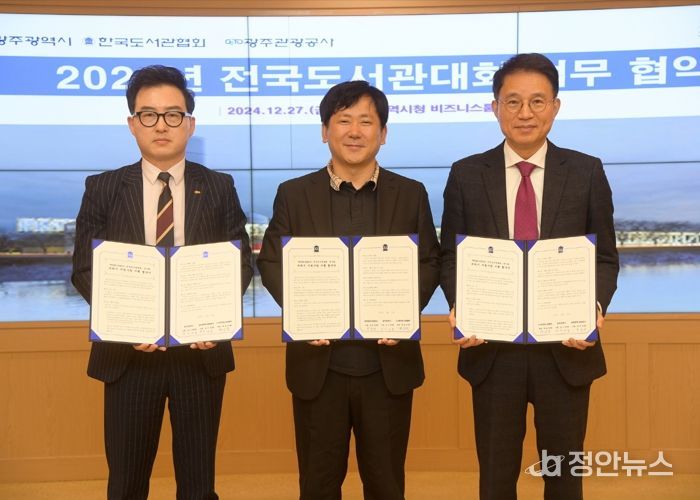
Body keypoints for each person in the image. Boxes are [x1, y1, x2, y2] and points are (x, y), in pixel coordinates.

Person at [440, 53, 619, 499]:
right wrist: (461, 306)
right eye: (513, 101)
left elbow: (605, 257)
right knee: (496, 478)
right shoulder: (466, 174)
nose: (525, 113)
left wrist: (593, 307)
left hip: (566, 350)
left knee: (564, 475)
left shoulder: (586, 171)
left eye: (537, 101)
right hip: (492, 349)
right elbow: (450, 257)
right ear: (495, 107)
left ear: (555, 107)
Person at [71, 65, 253, 500]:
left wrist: (215, 318)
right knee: (127, 483)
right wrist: (125, 323)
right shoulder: (103, 188)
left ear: (190, 123)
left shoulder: (219, 186)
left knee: (198, 485)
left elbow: (240, 262)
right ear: (132, 123)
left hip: (199, 356)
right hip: (127, 357)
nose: (161, 125)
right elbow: (84, 269)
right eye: (148, 115)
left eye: (173, 115)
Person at [256, 80, 441, 499]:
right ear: (325, 131)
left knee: (386, 485)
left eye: (366, 121)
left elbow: (429, 261)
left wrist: (403, 314)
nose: (354, 132)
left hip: (388, 365)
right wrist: (303, 314)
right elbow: (271, 262)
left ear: (383, 133)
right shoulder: (293, 194)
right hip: (318, 366)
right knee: (318, 486)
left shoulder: (411, 194)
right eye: (343, 121)